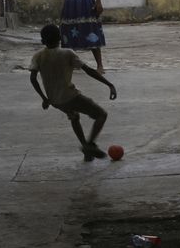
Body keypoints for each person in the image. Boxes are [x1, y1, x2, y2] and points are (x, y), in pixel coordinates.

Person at [30, 24, 117, 161]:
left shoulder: (38, 56)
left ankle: (86, 151)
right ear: (60, 38)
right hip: (71, 96)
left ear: (42, 41)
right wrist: (109, 84)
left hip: (55, 101)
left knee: (74, 116)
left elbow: (33, 78)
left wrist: (44, 98)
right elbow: (88, 70)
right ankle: (89, 144)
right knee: (101, 115)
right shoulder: (67, 53)